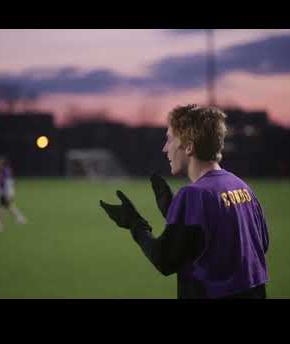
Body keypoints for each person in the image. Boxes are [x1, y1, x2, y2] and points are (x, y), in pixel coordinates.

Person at [100, 104, 269, 299]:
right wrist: (174, 212)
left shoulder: (193, 195)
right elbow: (258, 246)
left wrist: (134, 223)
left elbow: (164, 260)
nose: (165, 148)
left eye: (170, 139)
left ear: (189, 146)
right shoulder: (242, 187)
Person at [0, 156, 27, 232]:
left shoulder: (6, 171)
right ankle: (19, 218)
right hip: (3, 192)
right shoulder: (3, 171)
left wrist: (7, 194)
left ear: (2, 163)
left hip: (5, 192)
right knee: (8, 206)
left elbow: (8, 183)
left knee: (2, 207)